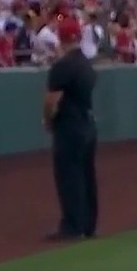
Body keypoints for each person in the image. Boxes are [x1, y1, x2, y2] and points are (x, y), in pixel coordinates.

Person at [43, 15, 99, 241]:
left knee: (69, 176)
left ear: (61, 38)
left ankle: (72, 227)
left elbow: (50, 101)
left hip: (69, 126)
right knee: (87, 175)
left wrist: (47, 121)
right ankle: (88, 225)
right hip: (88, 123)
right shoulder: (86, 63)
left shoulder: (62, 66)